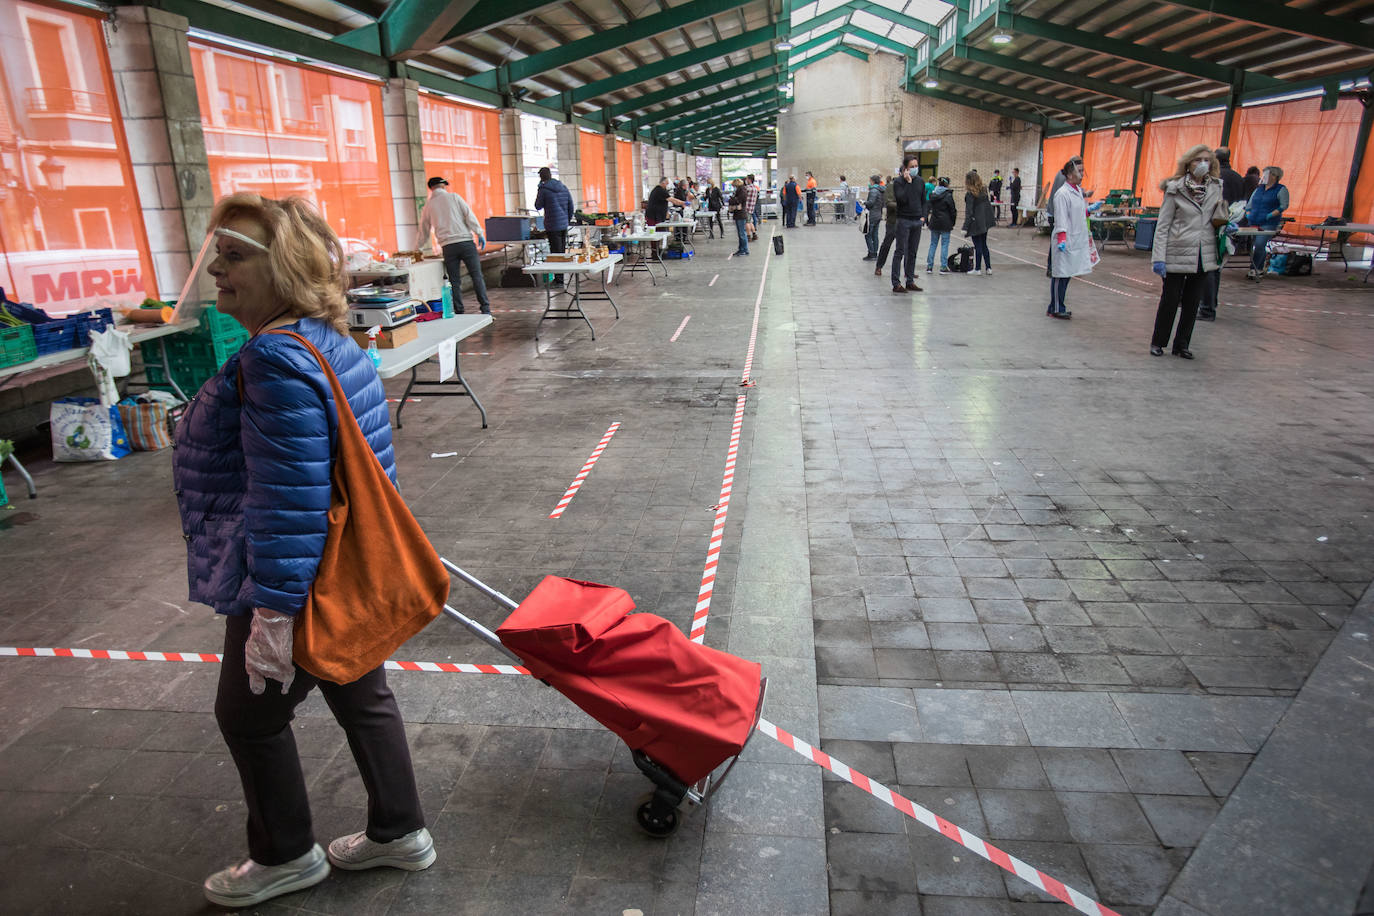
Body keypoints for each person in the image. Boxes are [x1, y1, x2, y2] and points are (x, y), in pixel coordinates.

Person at [185, 194, 433, 909]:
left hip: (299, 575)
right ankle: (399, 831)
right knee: (361, 691)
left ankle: (286, 854)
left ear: (284, 269)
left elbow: (286, 499)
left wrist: (273, 613)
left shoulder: (271, 358)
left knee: (249, 716)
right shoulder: (330, 340)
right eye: (217, 255)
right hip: (345, 565)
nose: (217, 272)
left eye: (235, 258)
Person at [1149, 144, 1228, 359]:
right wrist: (1159, 258)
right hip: (1177, 251)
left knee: (1193, 302)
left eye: (1206, 160)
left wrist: (1226, 224)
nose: (1202, 164)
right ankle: (1159, 342)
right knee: (1170, 300)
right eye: (1197, 160)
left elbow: (1217, 216)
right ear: (1188, 164)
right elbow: (1163, 226)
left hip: (1203, 253)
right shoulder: (1175, 188)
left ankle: (1182, 344)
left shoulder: (1215, 188)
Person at [418, 176, 490, 315]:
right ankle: (485, 308)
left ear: (431, 188)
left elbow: (424, 231)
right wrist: (479, 232)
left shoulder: (428, 206)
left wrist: (417, 249)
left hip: (448, 247)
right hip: (466, 243)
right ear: (443, 186)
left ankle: (459, 310)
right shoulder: (454, 197)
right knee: (477, 276)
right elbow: (469, 215)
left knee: (454, 281)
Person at [1199, 147, 1246, 321]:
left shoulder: (1215, 180)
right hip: (1226, 227)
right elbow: (1242, 202)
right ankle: (1211, 304)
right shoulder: (1237, 178)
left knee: (1208, 269)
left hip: (1212, 228)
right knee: (1215, 268)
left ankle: (1207, 308)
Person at [1048, 158, 1094, 318]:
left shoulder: (1077, 192)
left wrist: (1089, 211)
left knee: (1067, 274)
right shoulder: (1062, 194)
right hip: (1064, 239)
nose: (1082, 174)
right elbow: (1061, 217)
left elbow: (1077, 213)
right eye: (1079, 171)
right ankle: (1055, 308)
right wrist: (1061, 238)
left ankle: (1057, 305)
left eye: (1082, 171)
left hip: (1074, 238)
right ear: (1069, 174)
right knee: (1060, 275)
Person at [1245, 165, 1288, 280]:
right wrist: (1248, 213)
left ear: (1275, 176)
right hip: (1254, 221)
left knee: (1259, 244)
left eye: (1268, 174)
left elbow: (1284, 205)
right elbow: (1249, 204)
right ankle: (1258, 266)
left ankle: (1254, 269)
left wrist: (1270, 215)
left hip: (1269, 222)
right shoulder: (1259, 189)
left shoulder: (1281, 189)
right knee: (1256, 245)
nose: (1265, 176)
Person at [890, 157, 926, 294]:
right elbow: (902, 199)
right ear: (905, 168)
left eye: (916, 165)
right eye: (912, 166)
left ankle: (910, 280)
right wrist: (909, 183)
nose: (915, 168)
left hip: (917, 220)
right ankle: (896, 283)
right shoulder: (898, 182)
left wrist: (923, 216)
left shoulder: (921, 181)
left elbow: (924, 200)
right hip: (904, 220)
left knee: (913, 252)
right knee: (900, 251)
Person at [534, 166, 573, 255]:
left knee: (555, 252)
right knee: (562, 251)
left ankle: (557, 268)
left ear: (541, 177)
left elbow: (537, 206)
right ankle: (563, 268)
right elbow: (571, 206)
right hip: (563, 225)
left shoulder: (543, 190)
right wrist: (567, 221)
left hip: (552, 225)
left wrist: (540, 187)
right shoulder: (563, 187)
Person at [963, 170, 995, 275]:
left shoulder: (970, 194)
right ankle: (988, 268)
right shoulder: (984, 190)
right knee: (984, 244)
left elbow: (969, 212)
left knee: (978, 245)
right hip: (985, 221)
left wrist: (965, 227)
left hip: (976, 222)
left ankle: (977, 269)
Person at [925, 176, 956, 273]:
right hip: (946, 222)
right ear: (947, 184)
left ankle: (929, 266)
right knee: (945, 244)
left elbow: (928, 207)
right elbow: (952, 210)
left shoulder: (933, 194)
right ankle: (943, 266)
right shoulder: (948, 195)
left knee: (933, 244)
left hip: (935, 221)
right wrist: (952, 222)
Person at [874, 176, 898, 276]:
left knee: (907, 247)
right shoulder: (891, 186)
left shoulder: (910, 186)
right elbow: (888, 203)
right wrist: (902, 206)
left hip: (906, 221)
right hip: (893, 221)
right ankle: (879, 266)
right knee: (887, 244)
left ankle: (909, 270)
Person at [863, 175, 884, 261]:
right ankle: (875, 252)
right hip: (878, 214)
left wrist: (864, 202)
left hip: (872, 215)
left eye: (870, 181)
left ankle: (871, 253)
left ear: (873, 181)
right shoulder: (881, 190)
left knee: (868, 234)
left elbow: (871, 203)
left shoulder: (873, 191)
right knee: (875, 235)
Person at [728, 178, 750, 256]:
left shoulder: (742, 191)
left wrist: (732, 200)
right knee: (741, 233)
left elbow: (737, 201)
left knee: (741, 233)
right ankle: (741, 249)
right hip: (739, 213)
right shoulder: (741, 190)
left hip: (741, 214)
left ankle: (744, 249)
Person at [743, 175, 761, 241]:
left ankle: (748, 236)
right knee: (750, 221)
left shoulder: (747, 188)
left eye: (747, 179)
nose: (746, 180)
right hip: (752, 206)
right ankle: (754, 234)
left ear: (749, 180)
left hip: (746, 207)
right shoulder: (755, 188)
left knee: (747, 222)